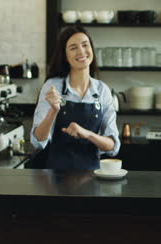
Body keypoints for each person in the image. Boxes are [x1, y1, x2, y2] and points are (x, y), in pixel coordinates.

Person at [30, 25, 120, 170]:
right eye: (73, 48)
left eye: (85, 45)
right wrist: (53, 111)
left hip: (92, 177)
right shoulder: (53, 86)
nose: (81, 51)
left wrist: (87, 134)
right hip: (56, 178)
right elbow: (38, 140)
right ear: (65, 55)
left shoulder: (102, 90)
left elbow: (112, 145)